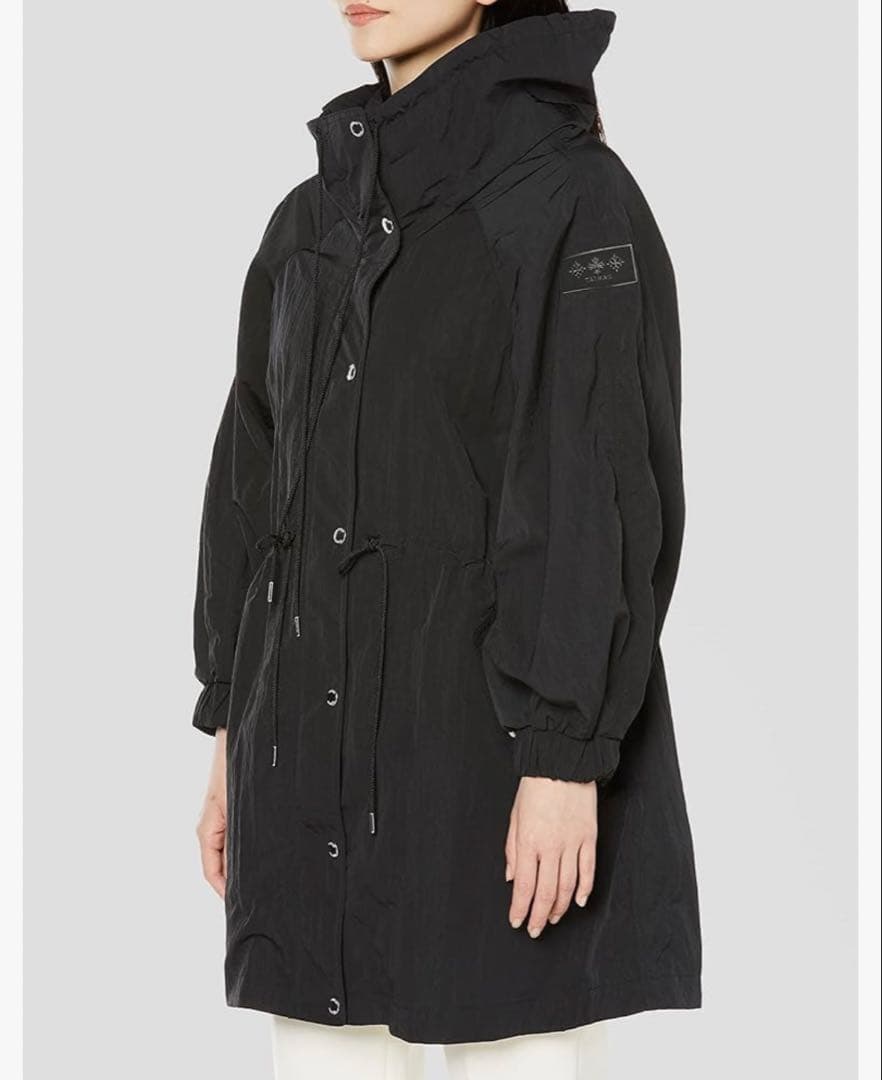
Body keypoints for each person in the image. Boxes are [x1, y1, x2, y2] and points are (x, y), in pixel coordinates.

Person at [193, 2, 702, 1077]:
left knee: (510, 1040)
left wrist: (563, 759)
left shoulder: (572, 200)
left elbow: (598, 490)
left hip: (492, 774)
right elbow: (253, 488)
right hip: (304, 778)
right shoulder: (309, 221)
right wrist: (233, 731)